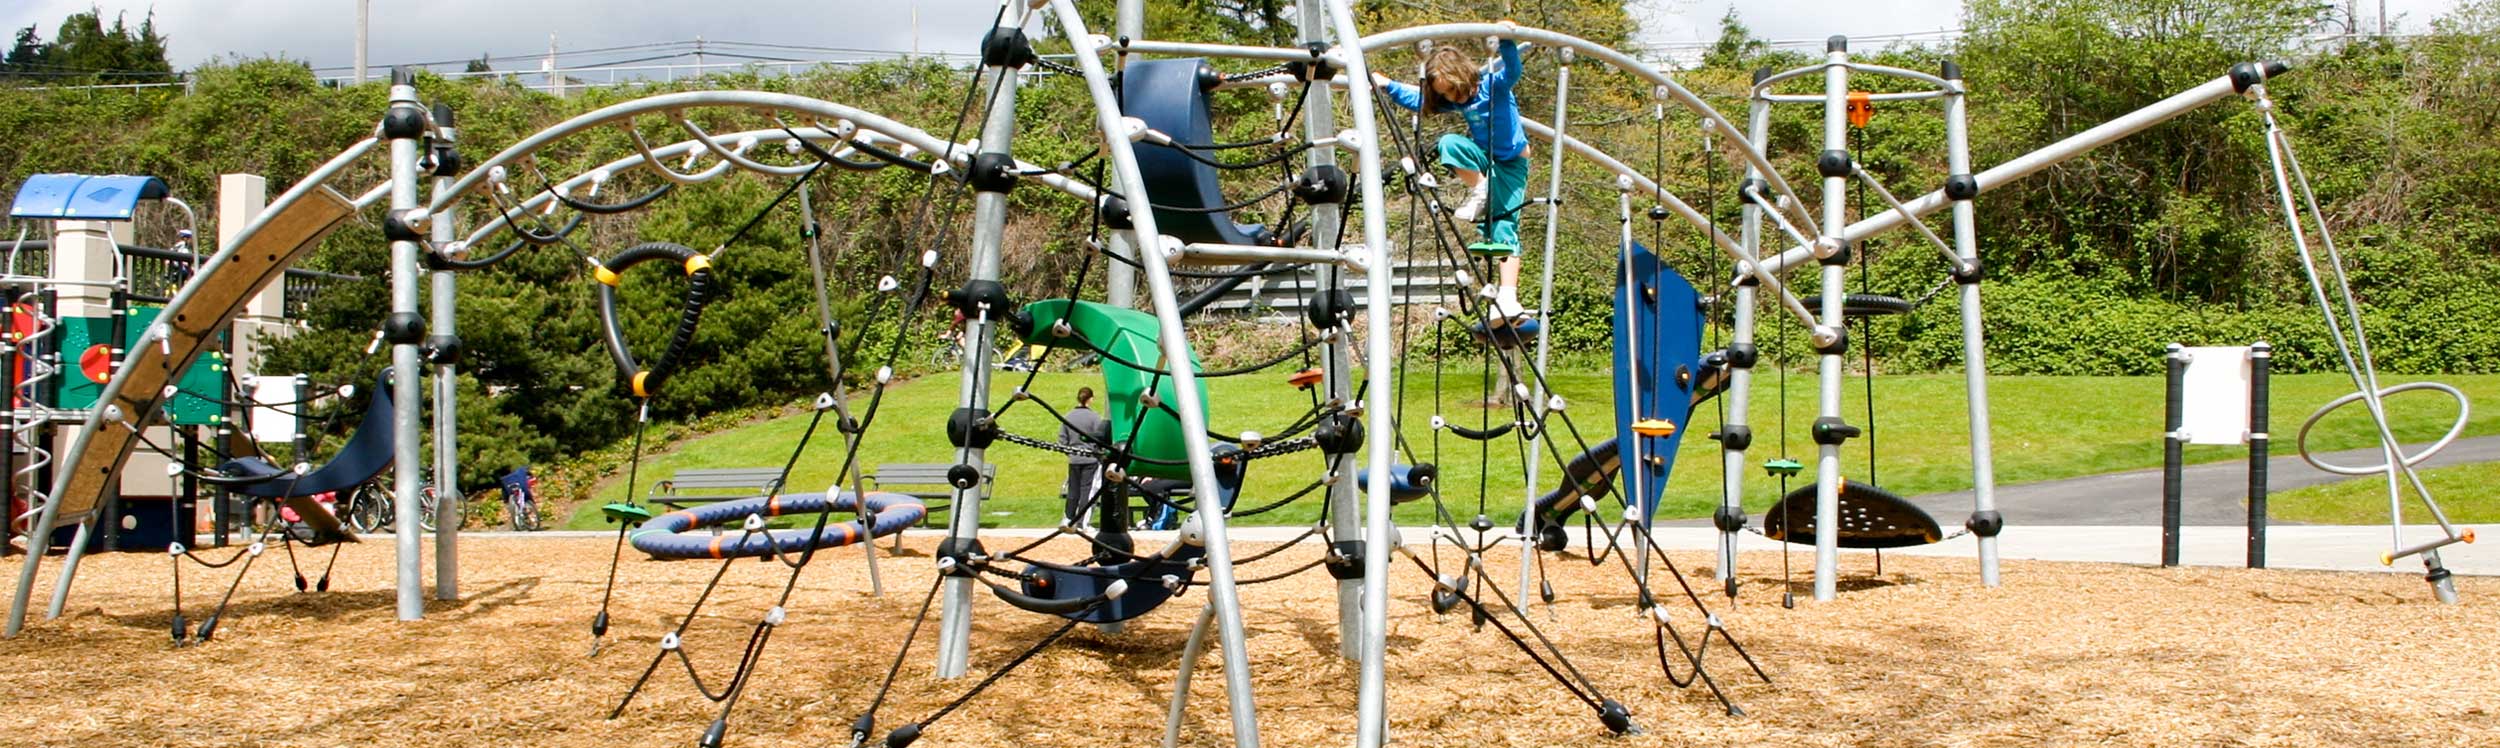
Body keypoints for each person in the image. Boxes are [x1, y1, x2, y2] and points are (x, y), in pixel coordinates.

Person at [1373, 28, 1531, 324]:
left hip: (1510, 163)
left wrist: (1507, 41)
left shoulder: (1493, 87)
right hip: (1484, 160)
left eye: (1453, 90)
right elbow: (1418, 100)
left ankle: (1508, 298)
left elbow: (1513, 71)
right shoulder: (1455, 100)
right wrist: (1388, 86)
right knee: (1449, 143)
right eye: (1445, 94)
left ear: (1463, 76)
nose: (1452, 98)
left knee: (1502, 225)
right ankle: (1480, 187)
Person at [1059, 387, 1107, 525]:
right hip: (1090, 458)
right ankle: (1082, 521)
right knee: (1087, 490)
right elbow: (1100, 438)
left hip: (1074, 459)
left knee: (1073, 490)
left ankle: (1068, 518)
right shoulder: (1095, 417)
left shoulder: (1068, 416)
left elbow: (1062, 440)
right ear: (1090, 399)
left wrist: (1071, 453)